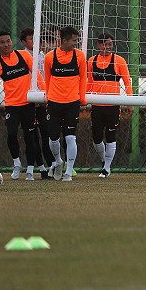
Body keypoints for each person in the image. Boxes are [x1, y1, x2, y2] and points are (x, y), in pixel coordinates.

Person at [0, 31, 45, 181]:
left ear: (12, 42)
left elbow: (37, 76)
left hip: (28, 104)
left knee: (30, 137)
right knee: (11, 134)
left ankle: (30, 169)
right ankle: (17, 163)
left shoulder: (24, 56)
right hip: (11, 106)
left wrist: (45, 95)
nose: (6, 45)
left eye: (8, 41)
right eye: (2, 42)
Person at [43, 26, 87, 182]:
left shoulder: (80, 56)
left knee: (70, 138)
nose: (76, 43)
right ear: (64, 40)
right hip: (54, 103)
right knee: (53, 138)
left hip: (72, 103)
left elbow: (83, 78)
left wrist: (82, 98)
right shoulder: (50, 57)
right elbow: (47, 80)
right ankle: (58, 161)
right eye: (74, 40)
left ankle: (68, 172)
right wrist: (49, 98)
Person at [87, 32, 133, 178]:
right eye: (105, 44)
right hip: (97, 105)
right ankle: (104, 160)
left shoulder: (119, 61)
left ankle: (106, 168)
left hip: (113, 105)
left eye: (110, 44)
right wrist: (84, 99)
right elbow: (88, 82)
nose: (108, 47)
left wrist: (130, 102)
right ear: (99, 45)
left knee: (111, 136)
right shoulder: (91, 61)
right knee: (96, 139)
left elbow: (127, 82)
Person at [20, 27, 53, 179]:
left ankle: (52, 165)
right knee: (32, 137)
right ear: (23, 42)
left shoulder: (43, 57)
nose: (36, 41)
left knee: (47, 134)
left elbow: (47, 78)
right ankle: (39, 168)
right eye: (31, 38)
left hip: (43, 101)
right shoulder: (20, 57)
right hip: (28, 102)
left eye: (37, 38)